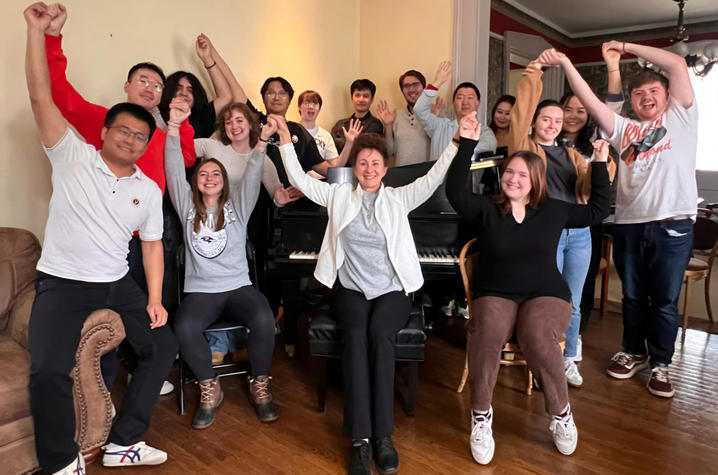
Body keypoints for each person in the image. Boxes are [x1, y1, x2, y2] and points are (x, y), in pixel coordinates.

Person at [24, 4, 178, 473]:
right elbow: (41, 98)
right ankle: (59, 462)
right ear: (106, 132)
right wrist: (37, 33)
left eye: (140, 136)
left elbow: (151, 245)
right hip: (63, 281)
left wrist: (154, 298)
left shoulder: (147, 191)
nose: (131, 139)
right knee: (48, 370)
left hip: (116, 281)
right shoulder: (72, 155)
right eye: (123, 130)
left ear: (147, 145)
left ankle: (124, 441)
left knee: (161, 348)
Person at [279, 113, 464, 474]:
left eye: (375, 163)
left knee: (380, 335)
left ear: (384, 167)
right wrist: (286, 140)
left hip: (392, 290)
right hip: (351, 289)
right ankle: (361, 440)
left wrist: (456, 143)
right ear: (355, 166)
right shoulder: (337, 195)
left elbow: (433, 178)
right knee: (356, 339)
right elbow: (298, 178)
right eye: (362, 162)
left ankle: (384, 436)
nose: (368, 168)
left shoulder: (398, 198)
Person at [42, 2, 193, 393]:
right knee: (103, 316)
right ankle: (103, 384)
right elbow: (59, 94)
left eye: (158, 85)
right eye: (143, 80)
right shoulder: (108, 123)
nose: (150, 88)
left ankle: (144, 369)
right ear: (127, 87)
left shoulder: (162, 135)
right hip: (104, 239)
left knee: (152, 308)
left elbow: (188, 159)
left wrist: (182, 122)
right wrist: (51, 38)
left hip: (152, 233)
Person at [446, 117, 610, 464]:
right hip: (496, 292)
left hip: (545, 293)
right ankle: (481, 416)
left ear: (535, 179)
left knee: (536, 333)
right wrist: (467, 143)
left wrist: (598, 163)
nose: (513, 178)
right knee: (487, 330)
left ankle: (561, 413)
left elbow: (597, 211)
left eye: (522, 174)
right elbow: (456, 193)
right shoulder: (488, 207)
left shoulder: (553, 210)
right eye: (509, 172)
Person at [543, 42, 697, 398]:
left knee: (664, 300)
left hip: (671, 225)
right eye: (638, 93)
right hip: (629, 223)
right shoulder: (623, 130)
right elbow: (592, 103)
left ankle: (661, 364)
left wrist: (626, 47)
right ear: (631, 99)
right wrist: (566, 61)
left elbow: (675, 63)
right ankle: (634, 350)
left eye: (653, 91)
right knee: (631, 296)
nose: (646, 98)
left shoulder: (681, 117)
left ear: (668, 95)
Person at [165, 99, 280, 428]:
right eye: (204, 173)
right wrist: (174, 127)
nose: (211, 177)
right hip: (202, 291)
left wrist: (262, 140)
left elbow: (255, 168)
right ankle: (209, 386)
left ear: (225, 181)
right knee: (184, 327)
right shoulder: (186, 204)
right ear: (195, 181)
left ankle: (260, 385)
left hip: (238, 286)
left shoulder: (238, 205)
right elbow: (173, 167)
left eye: (217, 173)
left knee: (263, 316)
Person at [506, 55, 616, 388]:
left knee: (573, 298)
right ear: (534, 121)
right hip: (546, 235)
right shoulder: (523, 148)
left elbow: (586, 188)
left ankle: (568, 358)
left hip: (579, 234)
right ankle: (546, 360)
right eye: (546, 118)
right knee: (545, 300)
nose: (553, 124)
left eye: (558, 119)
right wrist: (534, 72)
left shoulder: (570, 155)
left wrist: (602, 163)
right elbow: (520, 110)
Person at [414, 60, 497, 162]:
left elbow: (483, 151)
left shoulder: (485, 133)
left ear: (478, 102)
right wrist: (438, 82)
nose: (465, 102)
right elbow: (419, 109)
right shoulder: (440, 126)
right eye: (460, 97)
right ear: (453, 102)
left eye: (470, 98)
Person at [157, 33, 233, 139]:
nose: (184, 93)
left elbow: (226, 96)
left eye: (190, 90)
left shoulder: (201, 118)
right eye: (178, 88)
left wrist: (207, 59)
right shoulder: (157, 115)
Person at [375, 70, 432, 166]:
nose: (411, 90)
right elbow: (389, 152)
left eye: (415, 84)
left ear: (424, 88)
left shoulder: (435, 112)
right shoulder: (395, 115)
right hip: (401, 174)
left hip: (428, 174)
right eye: (406, 86)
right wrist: (388, 126)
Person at [298, 89, 361, 171]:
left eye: (315, 103)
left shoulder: (325, 136)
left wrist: (349, 143)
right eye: (307, 103)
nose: (311, 107)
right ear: (299, 107)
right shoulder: (292, 131)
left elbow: (335, 167)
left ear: (319, 109)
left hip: (321, 181)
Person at [331, 79, 385, 153]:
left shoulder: (375, 125)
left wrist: (344, 141)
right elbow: (331, 148)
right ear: (352, 98)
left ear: (371, 100)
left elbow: (365, 148)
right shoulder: (340, 124)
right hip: (339, 164)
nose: (361, 99)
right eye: (357, 95)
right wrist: (354, 141)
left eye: (366, 96)